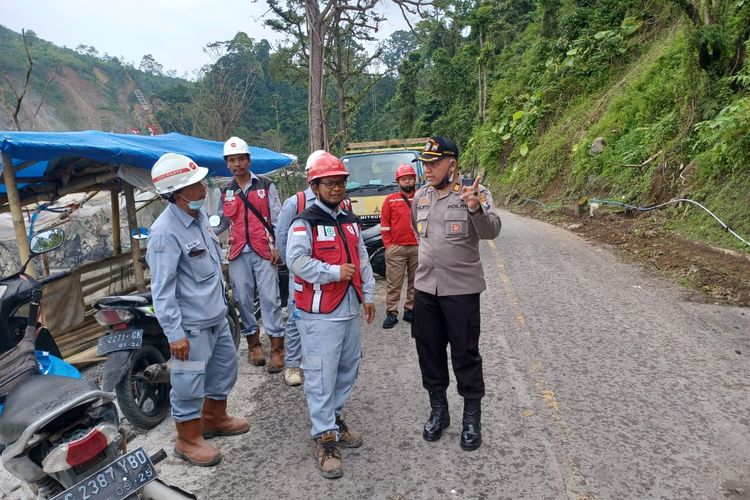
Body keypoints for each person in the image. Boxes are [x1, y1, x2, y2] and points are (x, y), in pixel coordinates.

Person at [147, 153, 249, 467]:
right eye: (195, 185)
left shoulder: (199, 218)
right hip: (191, 326)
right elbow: (162, 290)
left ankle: (214, 419)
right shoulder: (164, 232)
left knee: (224, 370)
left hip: (216, 316)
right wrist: (175, 334)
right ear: (178, 194)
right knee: (188, 382)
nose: (204, 188)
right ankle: (187, 439)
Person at [286, 151, 376, 479]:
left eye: (340, 182)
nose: (336, 188)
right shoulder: (304, 222)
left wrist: (367, 294)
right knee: (321, 376)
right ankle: (324, 438)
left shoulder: (349, 219)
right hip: (319, 313)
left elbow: (362, 256)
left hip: (349, 307)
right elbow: (296, 261)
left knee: (348, 369)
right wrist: (333, 271)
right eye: (329, 183)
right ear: (315, 185)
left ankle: (333, 420)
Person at [410, 136, 501, 451]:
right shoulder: (420, 197)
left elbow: (492, 231)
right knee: (429, 352)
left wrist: (475, 209)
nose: (428, 169)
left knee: (465, 353)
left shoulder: (474, 194)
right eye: (425, 163)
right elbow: (418, 234)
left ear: (453, 164)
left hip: (461, 291)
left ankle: (471, 418)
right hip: (425, 289)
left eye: (434, 163)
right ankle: (440, 410)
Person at [216, 136, 285, 373]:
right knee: (243, 299)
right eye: (232, 160)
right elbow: (222, 221)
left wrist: (278, 247)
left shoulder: (265, 185)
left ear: (248, 160)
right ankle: (254, 345)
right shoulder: (225, 191)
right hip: (237, 251)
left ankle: (277, 349)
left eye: (241, 159)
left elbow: (277, 219)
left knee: (270, 298)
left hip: (264, 249)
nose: (237, 164)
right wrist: (207, 232)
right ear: (227, 164)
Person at [380, 163, 419, 329]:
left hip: (418, 247)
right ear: (398, 181)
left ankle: (410, 309)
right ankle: (392, 312)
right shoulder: (390, 200)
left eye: (410, 178)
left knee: (415, 282)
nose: (408, 181)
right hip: (396, 247)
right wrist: (388, 245)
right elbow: (384, 224)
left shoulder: (422, 197)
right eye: (404, 179)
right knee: (394, 282)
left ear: (415, 180)